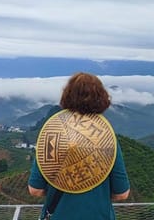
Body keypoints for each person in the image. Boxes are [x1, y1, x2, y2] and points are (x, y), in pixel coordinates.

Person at [28, 72, 130, 220]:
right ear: (101, 98)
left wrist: (63, 186)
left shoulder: (52, 136)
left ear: (67, 96)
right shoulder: (108, 140)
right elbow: (122, 194)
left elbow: (35, 190)